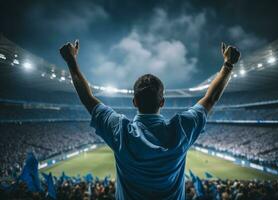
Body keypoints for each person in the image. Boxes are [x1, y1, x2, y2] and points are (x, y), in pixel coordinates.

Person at [59, 40, 240, 200]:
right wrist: (228, 65)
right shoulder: (181, 128)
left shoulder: (120, 130)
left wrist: (71, 61)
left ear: (134, 102)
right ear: (162, 102)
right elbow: (210, 98)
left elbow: (87, 98)